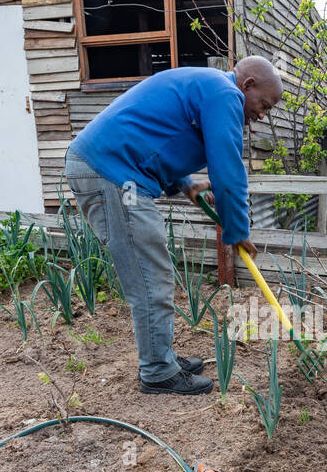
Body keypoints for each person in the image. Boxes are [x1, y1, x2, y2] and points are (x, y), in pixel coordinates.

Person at [64, 57, 282, 395]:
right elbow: (228, 172)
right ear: (248, 85)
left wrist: (186, 185)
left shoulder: (208, 86)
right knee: (150, 273)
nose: (262, 114)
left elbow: (159, 136)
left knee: (154, 270)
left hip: (112, 168)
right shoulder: (226, 94)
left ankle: (159, 356)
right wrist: (237, 230)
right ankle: (157, 371)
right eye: (263, 104)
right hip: (111, 173)